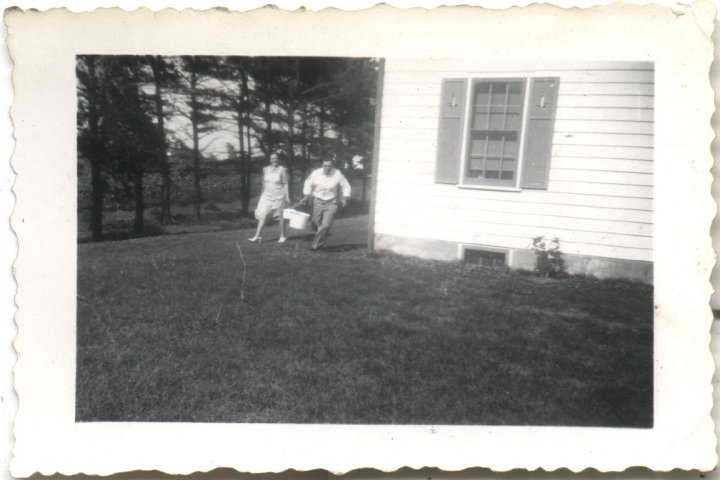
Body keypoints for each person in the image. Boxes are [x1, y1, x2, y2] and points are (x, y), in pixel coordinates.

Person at [302, 157, 351, 251]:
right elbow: (308, 183)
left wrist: (344, 198)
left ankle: (316, 246)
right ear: (322, 166)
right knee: (316, 224)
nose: (327, 168)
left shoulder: (337, 174)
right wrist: (306, 195)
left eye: (329, 166)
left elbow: (346, 186)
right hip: (317, 201)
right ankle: (319, 231)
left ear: (332, 166)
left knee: (326, 225)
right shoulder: (316, 173)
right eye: (325, 166)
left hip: (332, 202)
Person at [249, 152, 290, 243]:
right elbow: (264, 183)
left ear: (278, 159)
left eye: (276, 158)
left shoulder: (282, 170)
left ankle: (282, 236)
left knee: (280, 216)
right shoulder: (265, 169)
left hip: (279, 195)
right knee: (262, 214)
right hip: (266, 196)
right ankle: (257, 236)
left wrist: (287, 197)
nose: (274, 160)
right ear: (270, 160)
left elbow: (285, 184)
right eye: (272, 159)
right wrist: (261, 194)